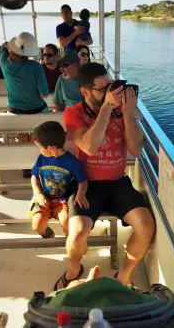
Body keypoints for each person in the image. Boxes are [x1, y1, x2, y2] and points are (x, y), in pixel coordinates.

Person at [54, 62, 155, 290]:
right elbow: (88, 147)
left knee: (146, 226)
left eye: (111, 86)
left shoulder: (122, 112)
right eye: (103, 89)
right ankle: (73, 270)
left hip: (118, 183)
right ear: (85, 91)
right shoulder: (74, 113)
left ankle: (124, 275)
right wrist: (107, 109)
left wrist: (128, 114)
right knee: (78, 232)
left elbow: (137, 150)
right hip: (86, 185)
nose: (111, 93)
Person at [29, 121, 88, 239]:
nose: (39, 150)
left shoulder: (72, 162)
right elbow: (34, 176)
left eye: (40, 147)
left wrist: (81, 193)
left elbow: (82, 181)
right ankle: (45, 233)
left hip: (61, 199)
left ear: (50, 148)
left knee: (67, 223)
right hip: (42, 197)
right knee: (37, 224)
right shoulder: (42, 158)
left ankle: (70, 241)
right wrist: (38, 194)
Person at [0, 32, 49, 115]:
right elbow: (44, 94)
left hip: (13, 110)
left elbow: (3, 48)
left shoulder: (4, 63)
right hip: (37, 110)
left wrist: (8, 45)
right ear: (30, 51)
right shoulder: (36, 66)